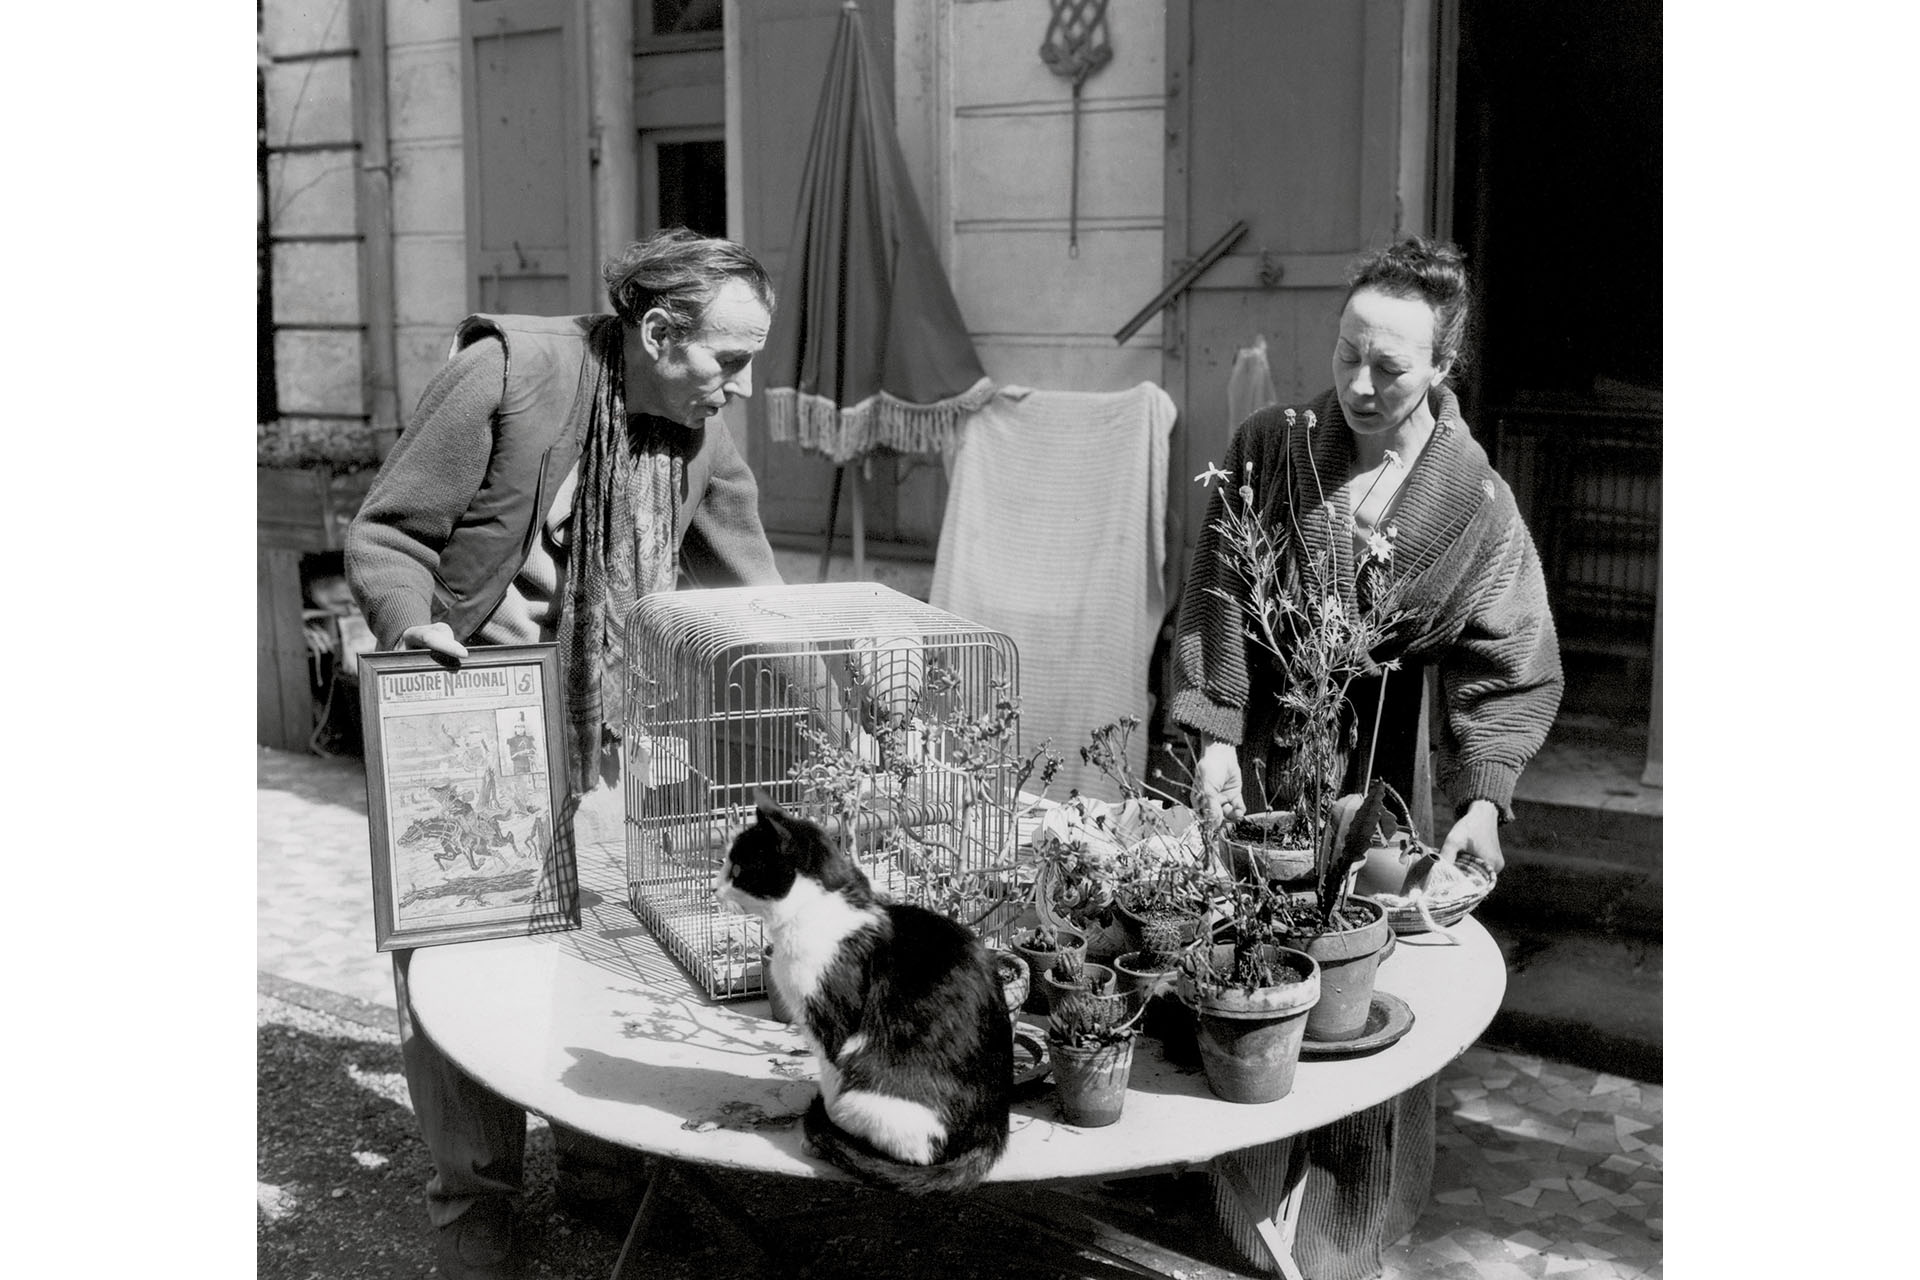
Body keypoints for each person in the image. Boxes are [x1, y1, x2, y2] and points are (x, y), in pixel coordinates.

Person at [347, 228, 790, 1280]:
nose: (743, 385)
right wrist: (413, 626)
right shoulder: (507, 374)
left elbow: (751, 587)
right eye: (731, 359)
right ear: (656, 331)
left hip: (611, 725)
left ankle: (598, 1165)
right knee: (456, 966)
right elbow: (388, 534)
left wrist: (835, 683)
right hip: (474, 710)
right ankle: (475, 1202)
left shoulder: (697, 427)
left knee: (597, 943)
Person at [1167, 235, 1563, 1280]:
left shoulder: (1475, 500)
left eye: (1389, 367)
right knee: (1251, 968)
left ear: (1442, 369)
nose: (1358, 383)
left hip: (1388, 765)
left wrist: (1485, 798)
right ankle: (1237, 1206)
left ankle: (1342, 1222)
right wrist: (1210, 735)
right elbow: (1214, 592)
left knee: (1367, 988)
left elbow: (1514, 654)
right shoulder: (1272, 443)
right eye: (1347, 352)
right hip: (1261, 760)